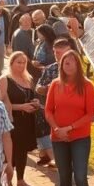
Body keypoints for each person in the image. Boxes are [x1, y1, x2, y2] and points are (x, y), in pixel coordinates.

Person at [45, 50, 94, 186]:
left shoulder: (88, 86)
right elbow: (48, 110)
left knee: (80, 177)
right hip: (58, 137)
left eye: (72, 61)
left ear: (78, 64)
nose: (68, 64)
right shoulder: (55, 85)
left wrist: (70, 128)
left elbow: (90, 114)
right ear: (61, 65)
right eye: (65, 62)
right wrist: (57, 129)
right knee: (64, 177)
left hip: (80, 137)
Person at [0, 52, 39, 186]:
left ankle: (20, 179)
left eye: (24, 63)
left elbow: (29, 98)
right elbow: (0, 103)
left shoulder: (27, 79)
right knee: (10, 151)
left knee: (22, 151)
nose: (21, 65)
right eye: (18, 62)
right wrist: (21, 107)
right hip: (11, 120)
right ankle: (8, 182)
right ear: (11, 63)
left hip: (27, 121)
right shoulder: (4, 80)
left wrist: (35, 103)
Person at [32, 24, 58, 166]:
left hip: (47, 78)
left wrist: (41, 65)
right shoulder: (40, 43)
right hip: (41, 79)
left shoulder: (50, 45)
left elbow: (49, 60)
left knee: (47, 121)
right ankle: (45, 153)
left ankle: (51, 153)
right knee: (42, 119)